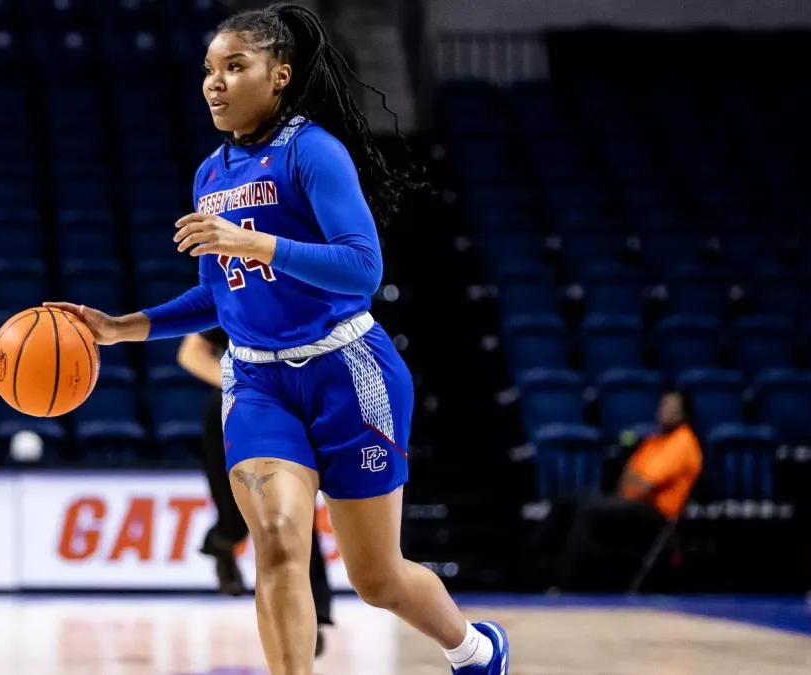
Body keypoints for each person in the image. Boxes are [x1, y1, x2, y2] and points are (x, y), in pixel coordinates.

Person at [46, 4, 509, 674]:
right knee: (278, 538)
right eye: (209, 69)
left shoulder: (312, 152)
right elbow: (220, 293)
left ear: (280, 75)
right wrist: (126, 327)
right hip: (259, 383)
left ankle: (472, 648)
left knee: (377, 579)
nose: (215, 82)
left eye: (235, 66)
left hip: (349, 372)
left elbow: (363, 268)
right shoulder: (211, 176)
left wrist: (257, 241)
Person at [177, 329, 333, 657]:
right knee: (236, 515)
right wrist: (241, 385)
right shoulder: (233, 287)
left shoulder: (307, 291)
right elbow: (190, 354)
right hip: (233, 409)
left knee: (295, 512)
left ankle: (312, 614)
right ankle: (222, 543)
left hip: (288, 410)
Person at [528, 392, 702, 590]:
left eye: (671, 407)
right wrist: (636, 481)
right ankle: (533, 571)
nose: (664, 411)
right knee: (567, 502)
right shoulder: (654, 441)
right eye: (663, 405)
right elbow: (626, 479)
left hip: (657, 512)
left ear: (684, 413)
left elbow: (644, 485)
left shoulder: (683, 442)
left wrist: (636, 481)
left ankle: (566, 584)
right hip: (633, 502)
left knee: (587, 510)